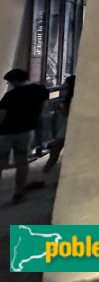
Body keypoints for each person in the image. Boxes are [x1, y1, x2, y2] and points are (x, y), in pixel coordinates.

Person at [0, 69, 50, 203]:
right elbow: (44, 108)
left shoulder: (10, 96)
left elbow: (2, 116)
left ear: (15, 81)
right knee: (22, 161)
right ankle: (19, 193)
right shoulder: (41, 90)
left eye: (9, 81)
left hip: (5, 133)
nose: (9, 84)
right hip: (27, 131)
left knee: (1, 162)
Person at [43, 74, 75, 173]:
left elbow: (67, 113)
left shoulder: (70, 96)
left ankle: (46, 171)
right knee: (56, 149)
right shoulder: (68, 94)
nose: (63, 83)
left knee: (56, 149)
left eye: (66, 81)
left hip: (67, 126)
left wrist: (58, 108)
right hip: (68, 125)